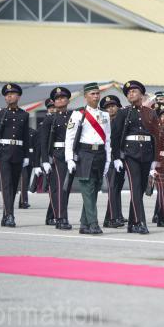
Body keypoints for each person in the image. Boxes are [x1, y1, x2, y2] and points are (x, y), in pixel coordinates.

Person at [111, 80, 160, 234]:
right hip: (130, 154)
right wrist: (116, 157)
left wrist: (155, 159)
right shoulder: (123, 113)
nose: (130, 94)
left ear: (142, 94)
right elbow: (115, 136)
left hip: (147, 154)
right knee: (135, 187)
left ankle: (132, 223)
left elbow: (156, 137)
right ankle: (140, 222)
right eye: (128, 92)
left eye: (134, 91)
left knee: (141, 188)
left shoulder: (151, 113)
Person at [65, 82, 111, 235]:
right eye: (92, 94)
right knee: (87, 189)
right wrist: (69, 159)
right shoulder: (78, 114)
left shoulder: (105, 114)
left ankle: (84, 224)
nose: (96, 96)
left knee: (95, 189)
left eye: (97, 93)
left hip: (100, 154)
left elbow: (108, 139)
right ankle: (93, 223)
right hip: (85, 154)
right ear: (85, 96)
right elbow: (70, 138)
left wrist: (108, 159)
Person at [0, 83, 30, 227]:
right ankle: (10, 215)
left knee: (14, 186)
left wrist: (26, 155)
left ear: (18, 96)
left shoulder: (24, 115)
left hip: (18, 152)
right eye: (7, 95)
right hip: (3, 154)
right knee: (6, 185)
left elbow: (26, 137)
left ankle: (6, 215)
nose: (9, 96)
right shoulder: (0, 114)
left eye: (12, 94)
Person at [40, 87, 74, 230]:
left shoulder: (74, 116)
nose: (60, 100)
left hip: (72, 155)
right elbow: (43, 142)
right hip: (58, 154)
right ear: (54, 102)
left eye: (63, 98)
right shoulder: (50, 119)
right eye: (57, 98)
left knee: (64, 188)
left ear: (68, 100)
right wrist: (45, 161)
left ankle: (52, 215)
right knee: (60, 187)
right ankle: (61, 218)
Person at [101, 94, 126, 228]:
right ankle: (111, 218)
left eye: (113, 106)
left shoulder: (122, 121)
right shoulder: (102, 122)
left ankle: (116, 215)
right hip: (108, 157)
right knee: (112, 186)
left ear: (118, 107)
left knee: (117, 187)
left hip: (121, 157)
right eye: (107, 107)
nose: (110, 109)